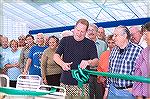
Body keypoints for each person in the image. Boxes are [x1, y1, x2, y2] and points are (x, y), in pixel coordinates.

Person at [53, 19, 98, 99]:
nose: (79, 33)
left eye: (82, 31)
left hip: (82, 84)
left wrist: (88, 62)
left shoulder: (90, 44)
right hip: (65, 83)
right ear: (74, 28)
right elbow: (56, 56)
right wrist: (62, 64)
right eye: (78, 30)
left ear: (86, 31)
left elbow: (96, 61)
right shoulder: (65, 40)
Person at [104, 25, 143, 99]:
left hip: (128, 93)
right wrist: (107, 90)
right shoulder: (114, 50)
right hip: (112, 91)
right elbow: (109, 71)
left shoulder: (138, 51)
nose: (113, 38)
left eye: (116, 35)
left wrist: (136, 90)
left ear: (124, 36)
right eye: (113, 35)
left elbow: (143, 73)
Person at [86, 23, 107, 99]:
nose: (91, 32)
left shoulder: (103, 44)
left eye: (93, 30)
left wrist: (104, 75)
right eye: (89, 30)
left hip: (99, 72)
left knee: (99, 93)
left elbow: (105, 60)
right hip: (87, 72)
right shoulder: (84, 43)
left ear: (97, 32)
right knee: (89, 93)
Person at [132, 22, 150, 99]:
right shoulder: (144, 52)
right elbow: (137, 74)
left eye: (146, 34)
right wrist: (139, 96)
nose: (144, 38)